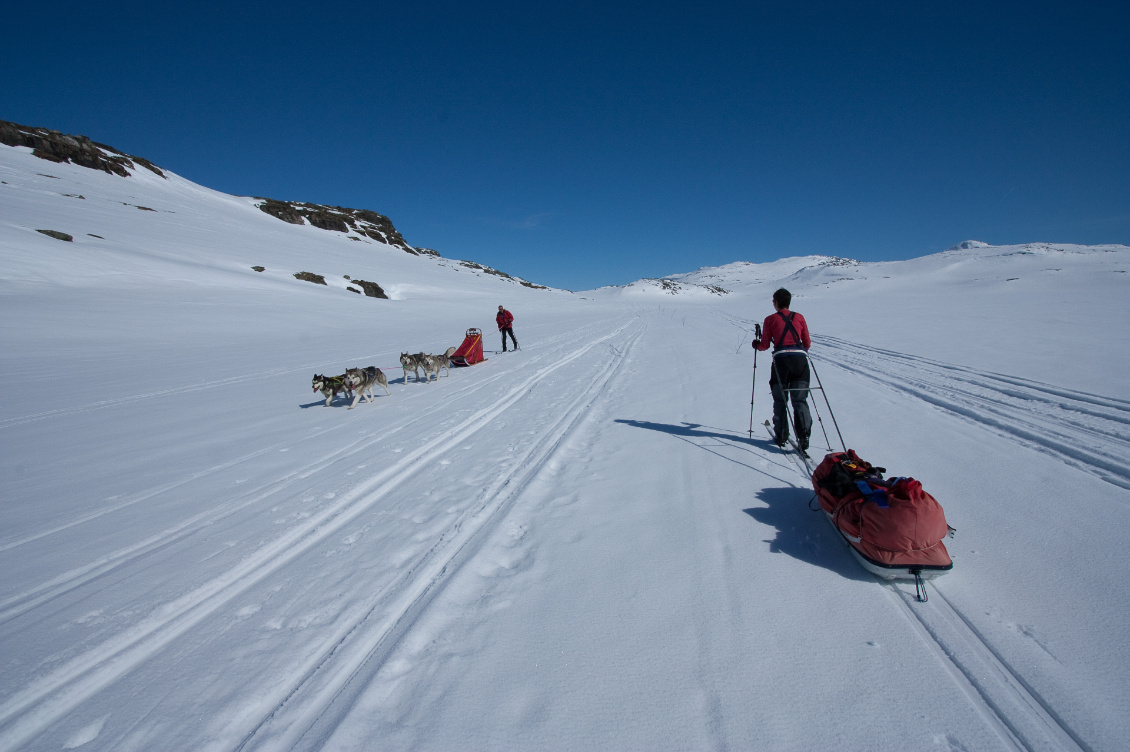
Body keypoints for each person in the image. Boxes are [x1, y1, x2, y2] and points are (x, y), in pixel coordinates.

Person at [753, 288, 812, 450]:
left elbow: (764, 345)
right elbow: (807, 343)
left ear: (777, 302)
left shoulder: (770, 319)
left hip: (781, 363)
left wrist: (756, 345)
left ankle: (781, 434)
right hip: (800, 362)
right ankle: (804, 435)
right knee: (800, 400)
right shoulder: (799, 317)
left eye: (773, 301)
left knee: (780, 400)